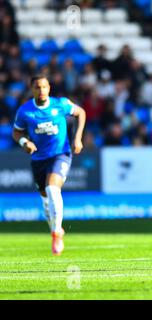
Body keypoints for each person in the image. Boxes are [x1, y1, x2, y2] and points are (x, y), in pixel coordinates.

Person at [12, 74, 86, 255]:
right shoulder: (25, 111)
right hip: (39, 159)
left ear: (49, 88)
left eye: (44, 87)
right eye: (37, 87)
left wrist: (77, 138)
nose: (41, 90)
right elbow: (16, 132)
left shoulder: (60, 104)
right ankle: (56, 228)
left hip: (61, 154)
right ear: (32, 89)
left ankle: (56, 234)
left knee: (53, 189)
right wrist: (24, 143)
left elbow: (81, 113)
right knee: (46, 202)